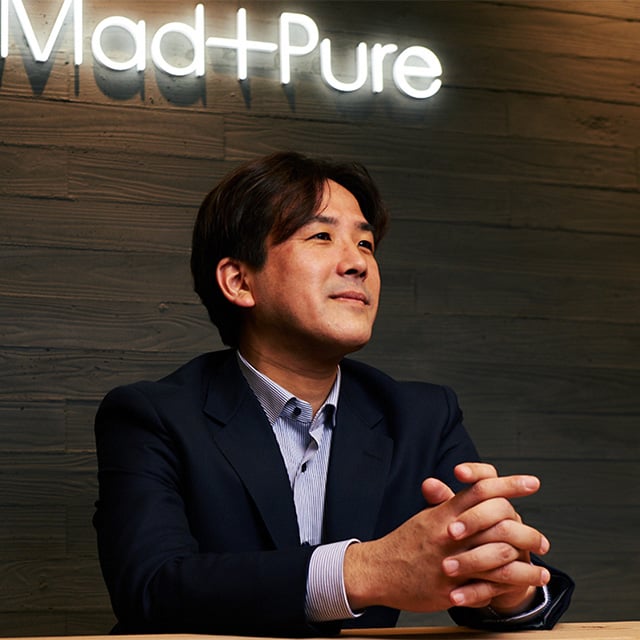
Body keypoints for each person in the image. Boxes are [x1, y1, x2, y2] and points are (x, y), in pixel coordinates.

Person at [93, 152, 574, 636]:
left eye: (365, 243)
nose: (358, 263)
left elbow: (488, 577)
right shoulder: (152, 415)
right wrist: (364, 570)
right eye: (321, 236)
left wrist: (507, 585)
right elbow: (151, 587)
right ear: (239, 281)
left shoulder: (421, 416)